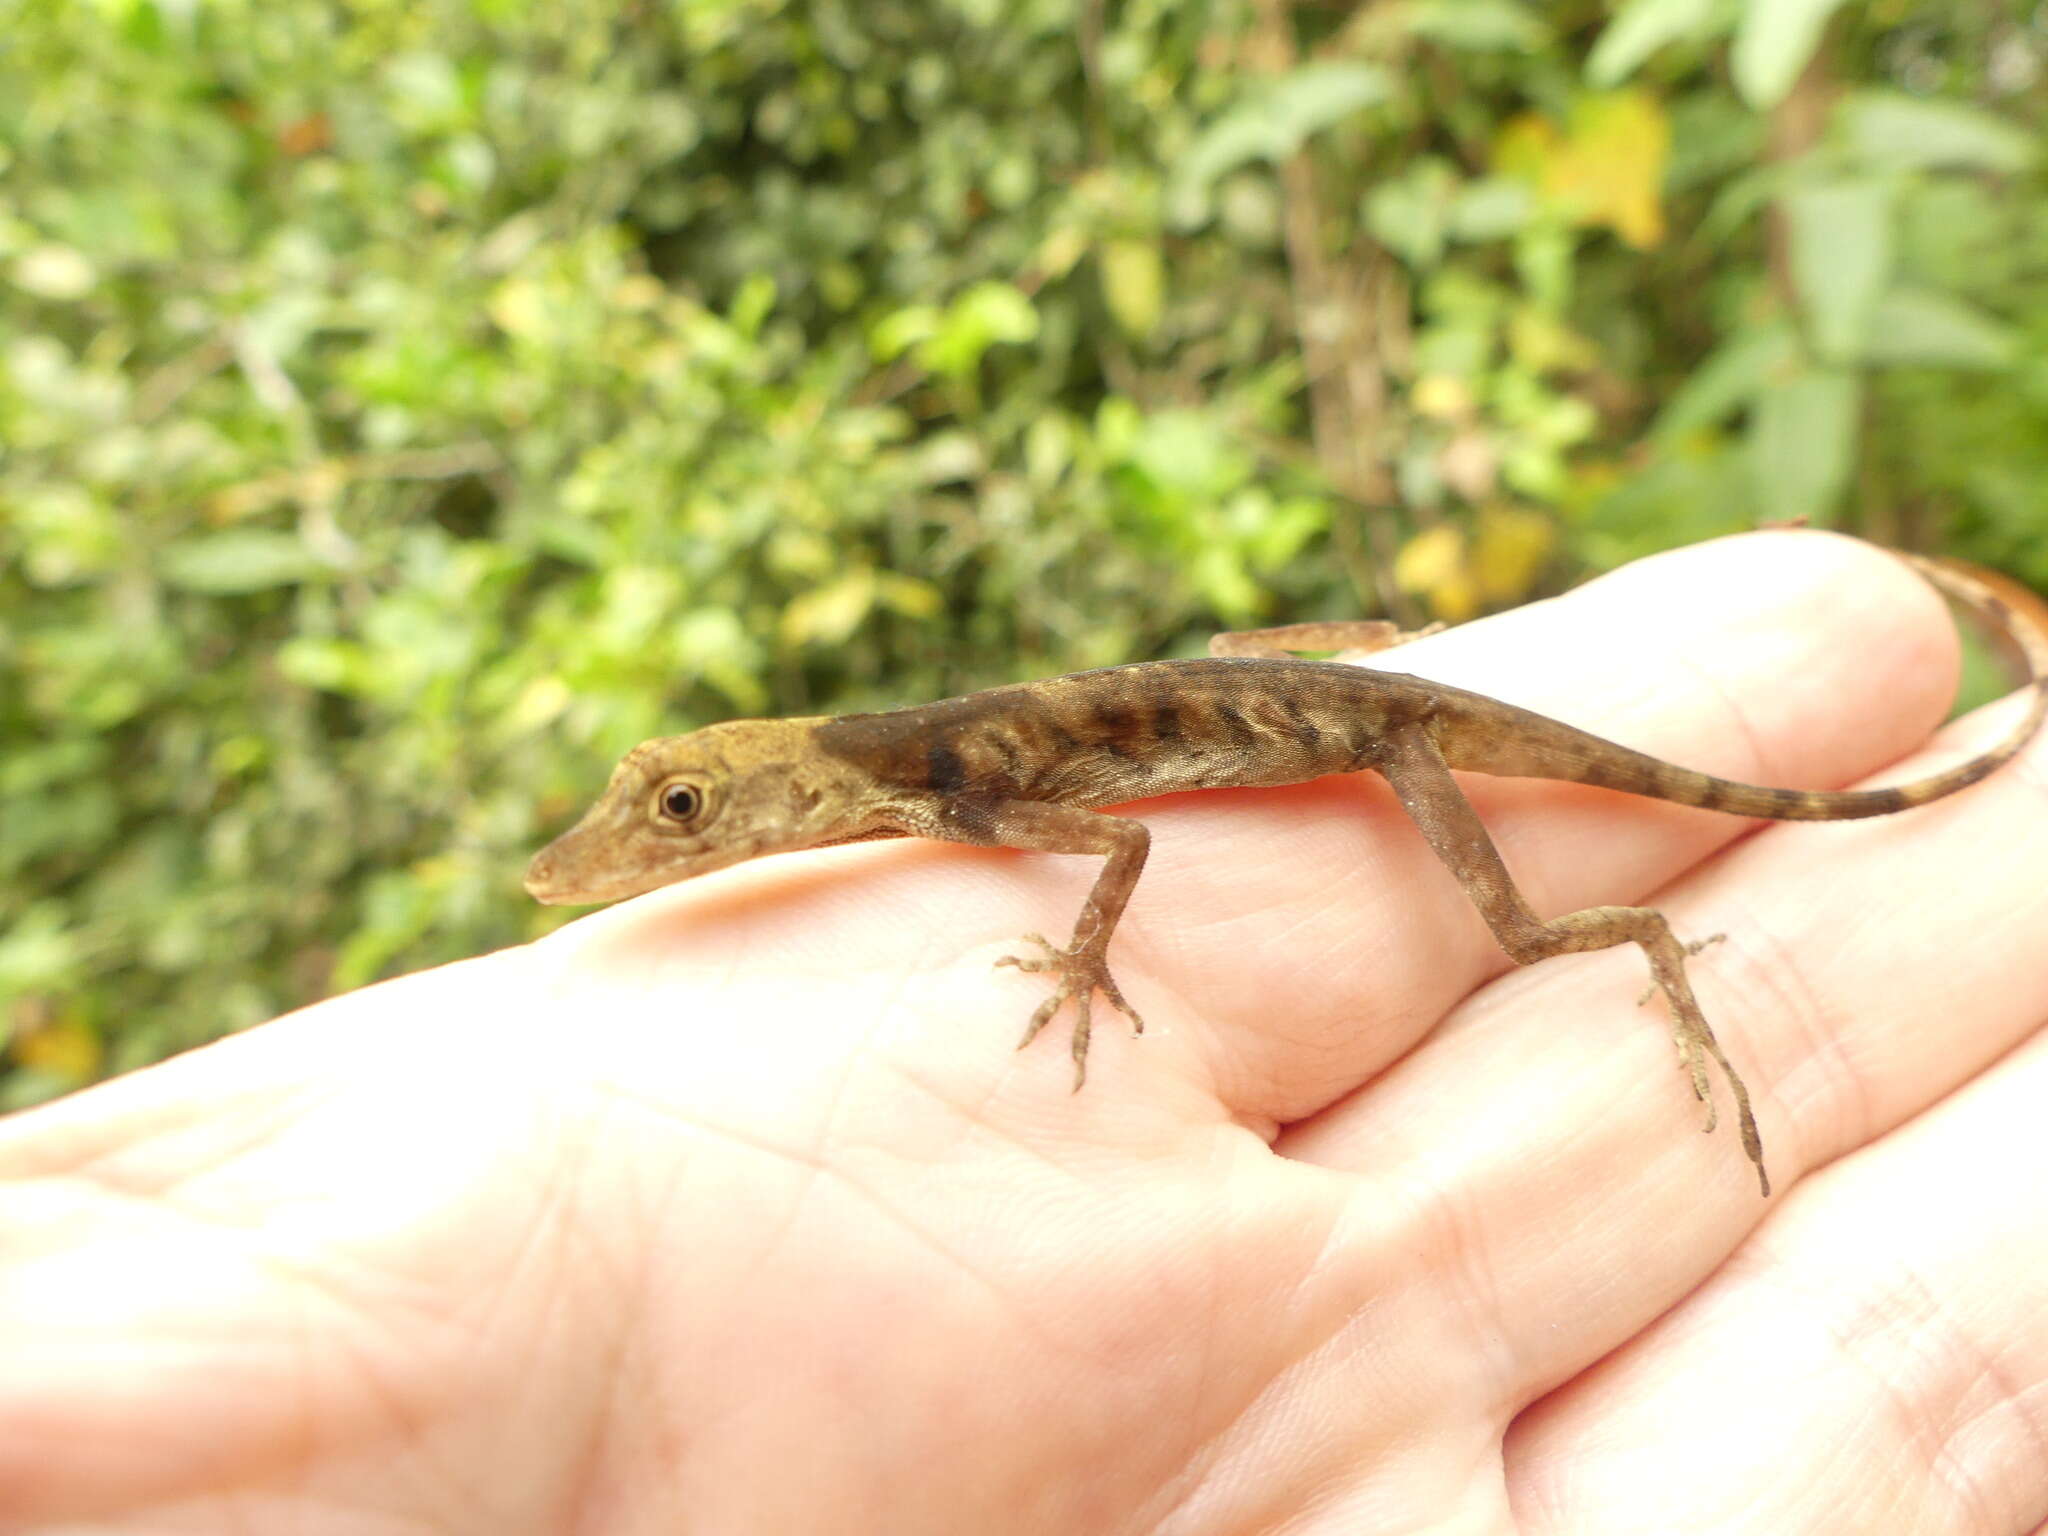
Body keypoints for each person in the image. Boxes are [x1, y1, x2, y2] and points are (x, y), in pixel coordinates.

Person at [4, 532, 2044, 1534]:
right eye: (665, 809)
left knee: (1541, 917)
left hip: (1379, 736)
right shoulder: (916, 786)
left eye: (684, 815)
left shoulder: (971, 791)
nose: (632, 847)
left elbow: (1120, 857)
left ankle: (1667, 963)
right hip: (1305, 701)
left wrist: (1082, 964)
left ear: (789, 798)